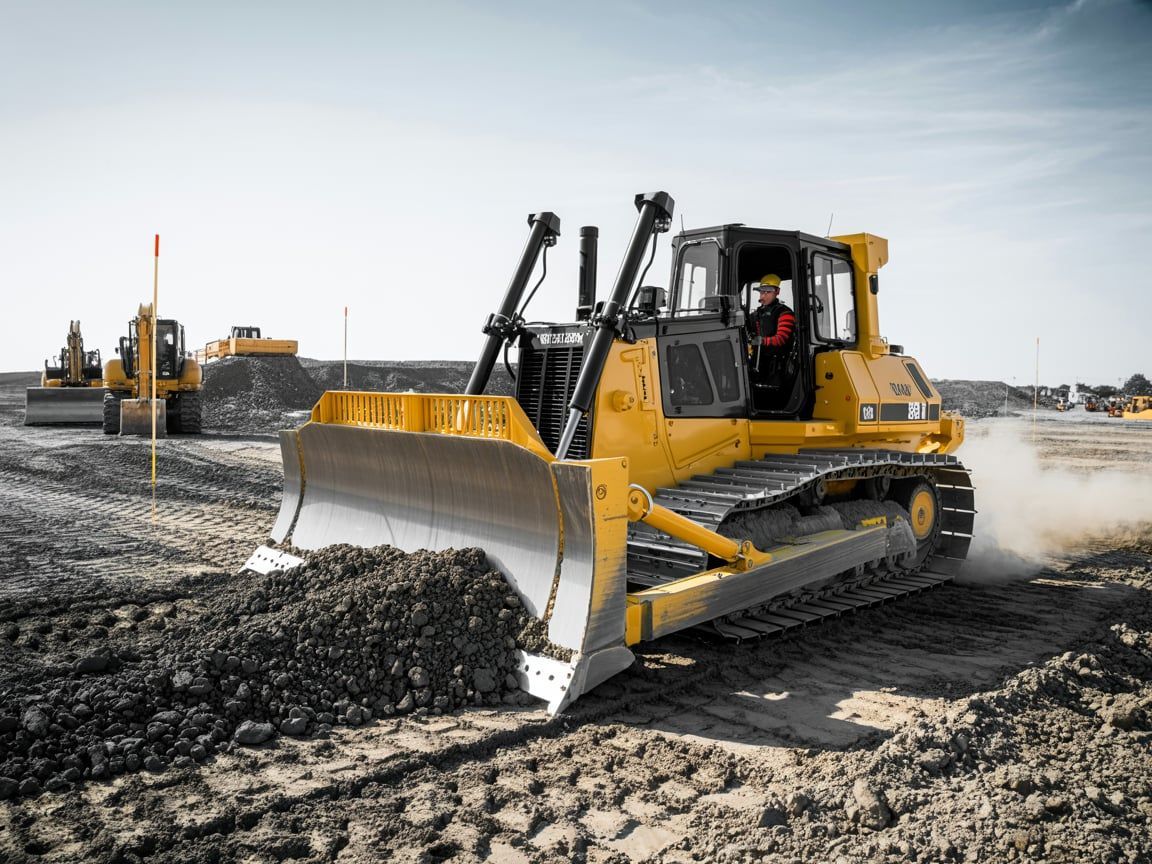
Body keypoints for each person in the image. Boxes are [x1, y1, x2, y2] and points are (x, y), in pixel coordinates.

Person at [749, 274, 796, 387]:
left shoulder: (784, 313)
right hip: (757, 364)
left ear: (777, 292)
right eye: (762, 292)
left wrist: (762, 341)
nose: (764, 295)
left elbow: (782, 339)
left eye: (768, 292)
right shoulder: (755, 314)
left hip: (777, 367)